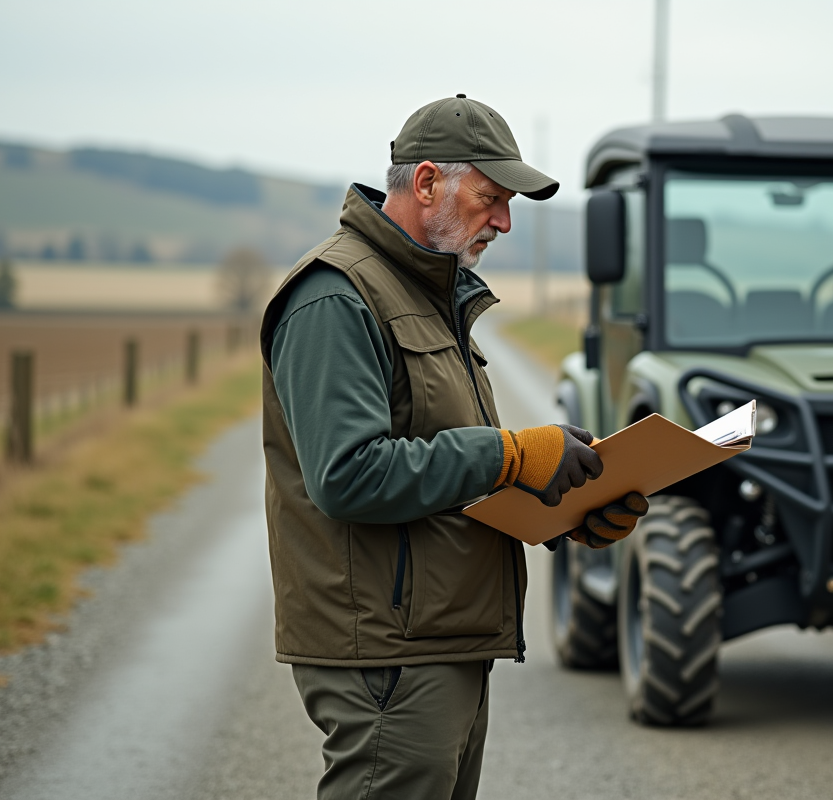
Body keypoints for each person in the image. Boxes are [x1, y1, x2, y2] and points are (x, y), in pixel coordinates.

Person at [259, 95, 649, 800]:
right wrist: (510, 455)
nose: (503, 221)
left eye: (508, 204)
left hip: (443, 642)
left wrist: (567, 511)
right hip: (387, 653)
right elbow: (348, 475)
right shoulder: (335, 296)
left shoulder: (430, 294)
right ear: (427, 182)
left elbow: (448, 476)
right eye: (491, 199)